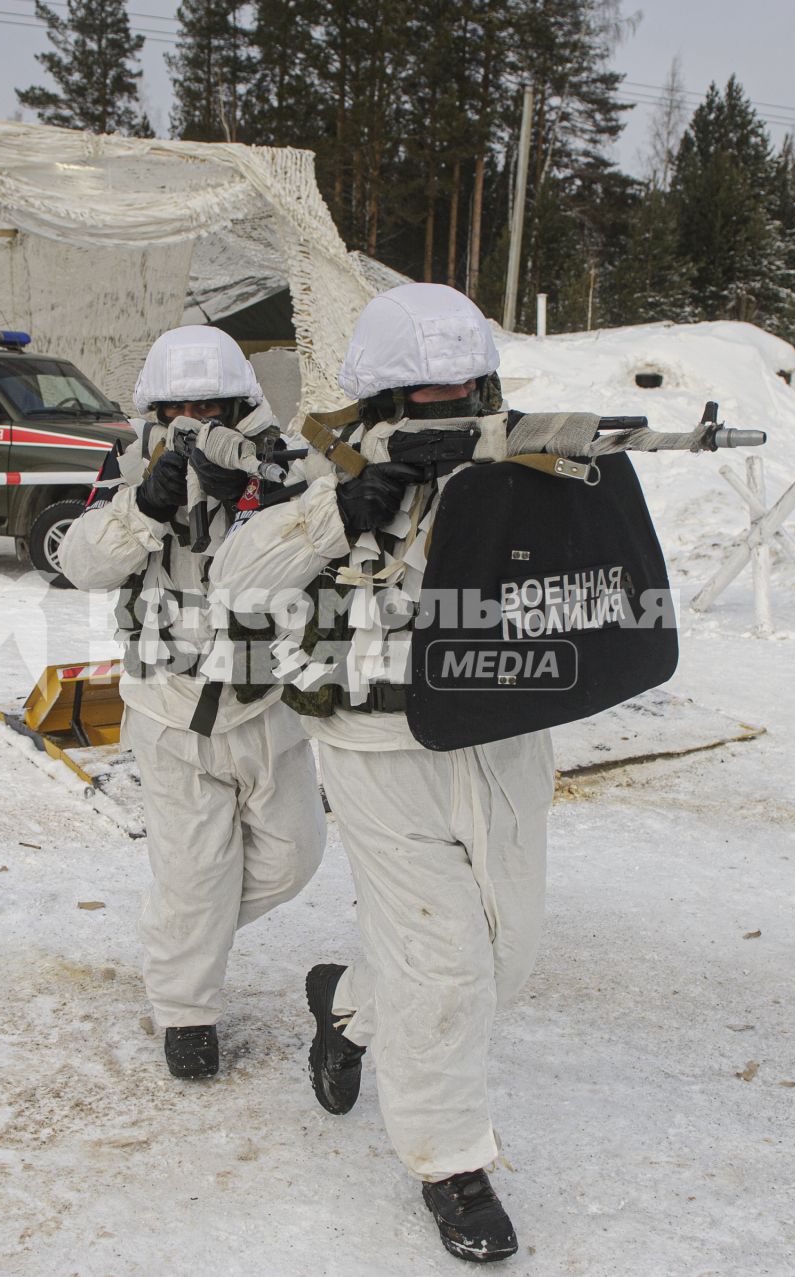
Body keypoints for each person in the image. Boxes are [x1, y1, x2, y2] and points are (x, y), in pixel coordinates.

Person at [208, 284, 548, 1263]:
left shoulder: (528, 461)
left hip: (501, 738)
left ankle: (345, 1007)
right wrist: (336, 516)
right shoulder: (335, 475)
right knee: (445, 960)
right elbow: (235, 583)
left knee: (504, 953)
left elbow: (593, 568)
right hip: (377, 743)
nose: (449, 414)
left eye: (464, 392)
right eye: (423, 398)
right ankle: (453, 1163)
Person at [57, 325, 326, 1081]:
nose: (195, 416)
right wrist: (143, 508)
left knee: (296, 855)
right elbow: (80, 564)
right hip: (169, 708)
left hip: (264, 703)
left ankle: (182, 935)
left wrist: (282, 505)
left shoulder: (287, 464)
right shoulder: (131, 465)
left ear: (240, 401)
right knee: (193, 874)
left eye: (211, 402)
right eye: (179, 404)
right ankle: (187, 1012)